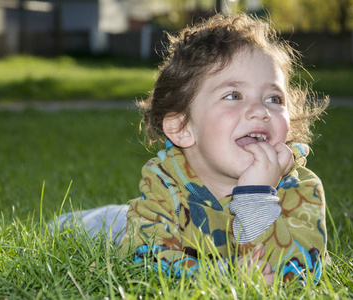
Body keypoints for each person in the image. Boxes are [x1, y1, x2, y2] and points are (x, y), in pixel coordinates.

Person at [51, 13, 328, 284]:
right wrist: (217, 275)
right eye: (233, 95)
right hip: (124, 223)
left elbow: (302, 269)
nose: (260, 111)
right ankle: (74, 222)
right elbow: (142, 257)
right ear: (183, 128)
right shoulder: (167, 183)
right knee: (107, 225)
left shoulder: (299, 188)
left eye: (273, 98)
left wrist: (257, 198)